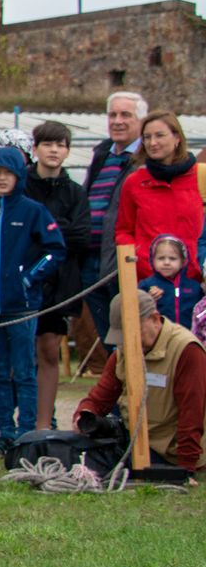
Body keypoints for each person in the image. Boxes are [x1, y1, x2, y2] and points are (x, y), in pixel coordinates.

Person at [0, 146, 64, 449]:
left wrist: (28, 278)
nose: (2, 179)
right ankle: (4, 432)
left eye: (7, 173)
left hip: (21, 306)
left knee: (24, 371)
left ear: (18, 176)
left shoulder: (33, 211)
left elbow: (55, 249)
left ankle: (27, 433)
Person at [74, 286, 203, 475]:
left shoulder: (187, 350)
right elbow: (100, 398)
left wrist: (185, 469)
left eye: (133, 333)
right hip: (136, 445)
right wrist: (83, 414)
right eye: (122, 335)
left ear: (154, 319)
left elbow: (191, 415)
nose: (127, 342)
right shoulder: (122, 353)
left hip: (173, 454)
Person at [22, 121, 90, 430]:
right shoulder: (20, 186)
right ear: (35, 149)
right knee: (16, 354)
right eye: (48, 144)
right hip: (22, 281)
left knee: (48, 350)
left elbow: (80, 236)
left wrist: (45, 229)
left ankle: (43, 423)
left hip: (59, 282)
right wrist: (53, 228)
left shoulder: (75, 191)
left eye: (61, 145)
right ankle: (6, 424)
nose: (54, 150)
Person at [83, 91, 146, 345]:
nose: (117, 121)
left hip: (124, 261)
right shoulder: (101, 155)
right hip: (91, 261)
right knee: (108, 338)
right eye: (113, 115)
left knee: (130, 337)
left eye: (126, 115)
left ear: (140, 121)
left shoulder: (145, 158)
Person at [113, 113, 204, 286]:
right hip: (150, 283)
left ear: (177, 137)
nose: (152, 143)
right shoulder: (134, 182)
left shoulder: (201, 176)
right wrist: (141, 261)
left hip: (195, 282)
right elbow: (123, 231)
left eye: (159, 135)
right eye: (147, 137)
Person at [145, 234, 202, 327]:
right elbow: (137, 312)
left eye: (172, 258)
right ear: (152, 260)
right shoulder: (146, 285)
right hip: (160, 338)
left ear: (183, 261)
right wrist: (148, 299)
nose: (166, 263)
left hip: (190, 337)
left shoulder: (195, 287)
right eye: (161, 258)